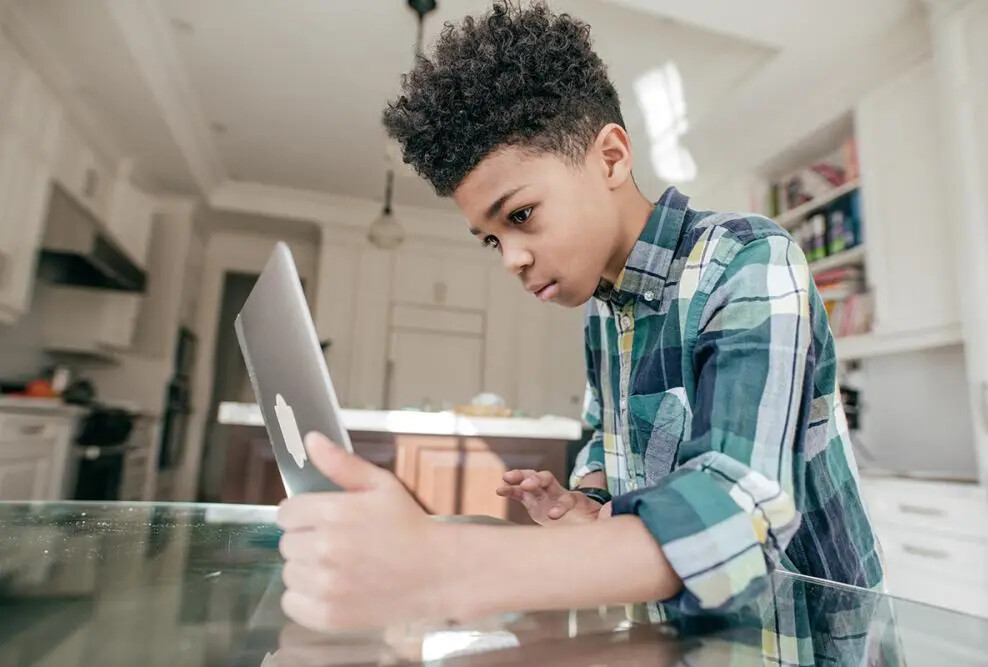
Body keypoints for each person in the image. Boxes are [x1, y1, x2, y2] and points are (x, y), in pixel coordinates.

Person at [277, 1, 884, 651]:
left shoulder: (748, 260)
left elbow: (736, 520)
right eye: (490, 239)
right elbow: (608, 439)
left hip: (814, 639)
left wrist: (440, 564)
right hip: (687, 640)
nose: (511, 259)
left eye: (521, 215)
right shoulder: (601, 306)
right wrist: (586, 498)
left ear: (613, 157)